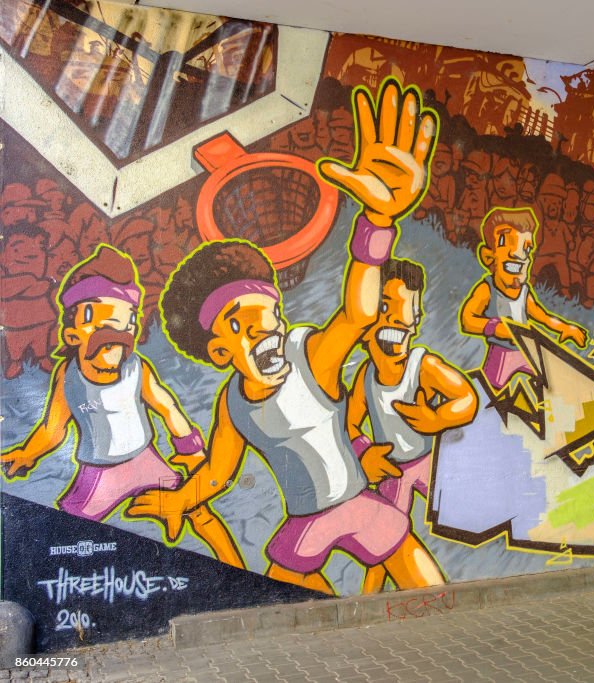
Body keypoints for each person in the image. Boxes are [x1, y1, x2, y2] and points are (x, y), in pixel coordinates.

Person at [127, 79, 444, 595]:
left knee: (436, 601)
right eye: (239, 323)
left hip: (362, 505)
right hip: (306, 523)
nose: (264, 327)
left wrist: (378, 220)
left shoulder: (307, 357)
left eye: (268, 313)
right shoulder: (233, 404)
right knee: (279, 606)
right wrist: (179, 500)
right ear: (218, 351)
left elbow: (358, 313)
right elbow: (217, 473)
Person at [1, 246, 244, 569]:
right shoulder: (67, 376)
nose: (117, 328)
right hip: (99, 473)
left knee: (196, 508)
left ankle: (235, 565)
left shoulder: (136, 368)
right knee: (69, 531)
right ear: (73, 333)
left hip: (147, 460)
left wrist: (189, 447)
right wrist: (28, 453)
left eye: (128, 320)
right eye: (98, 317)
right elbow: (53, 428)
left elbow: (166, 406)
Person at [348, 258, 478, 592]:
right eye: (386, 307)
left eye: (410, 310)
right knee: (384, 540)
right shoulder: (366, 378)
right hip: (393, 471)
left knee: (464, 512)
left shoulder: (423, 365)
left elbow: (466, 398)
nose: (403, 320)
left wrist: (437, 419)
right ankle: (368, 598)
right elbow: (348, 423)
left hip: (427, 463)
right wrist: (364, 452)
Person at [460, 207, 588, 390]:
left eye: (526, 248)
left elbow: (541, 315)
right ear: (488, 256)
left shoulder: (524, 292)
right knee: (490, 392)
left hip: (525, 348)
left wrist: (565, 327)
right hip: (501, 352)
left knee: (550, 380)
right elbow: (467, 319)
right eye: (505, 241)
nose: (518, 253)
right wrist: (495, 328)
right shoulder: (487, 289)